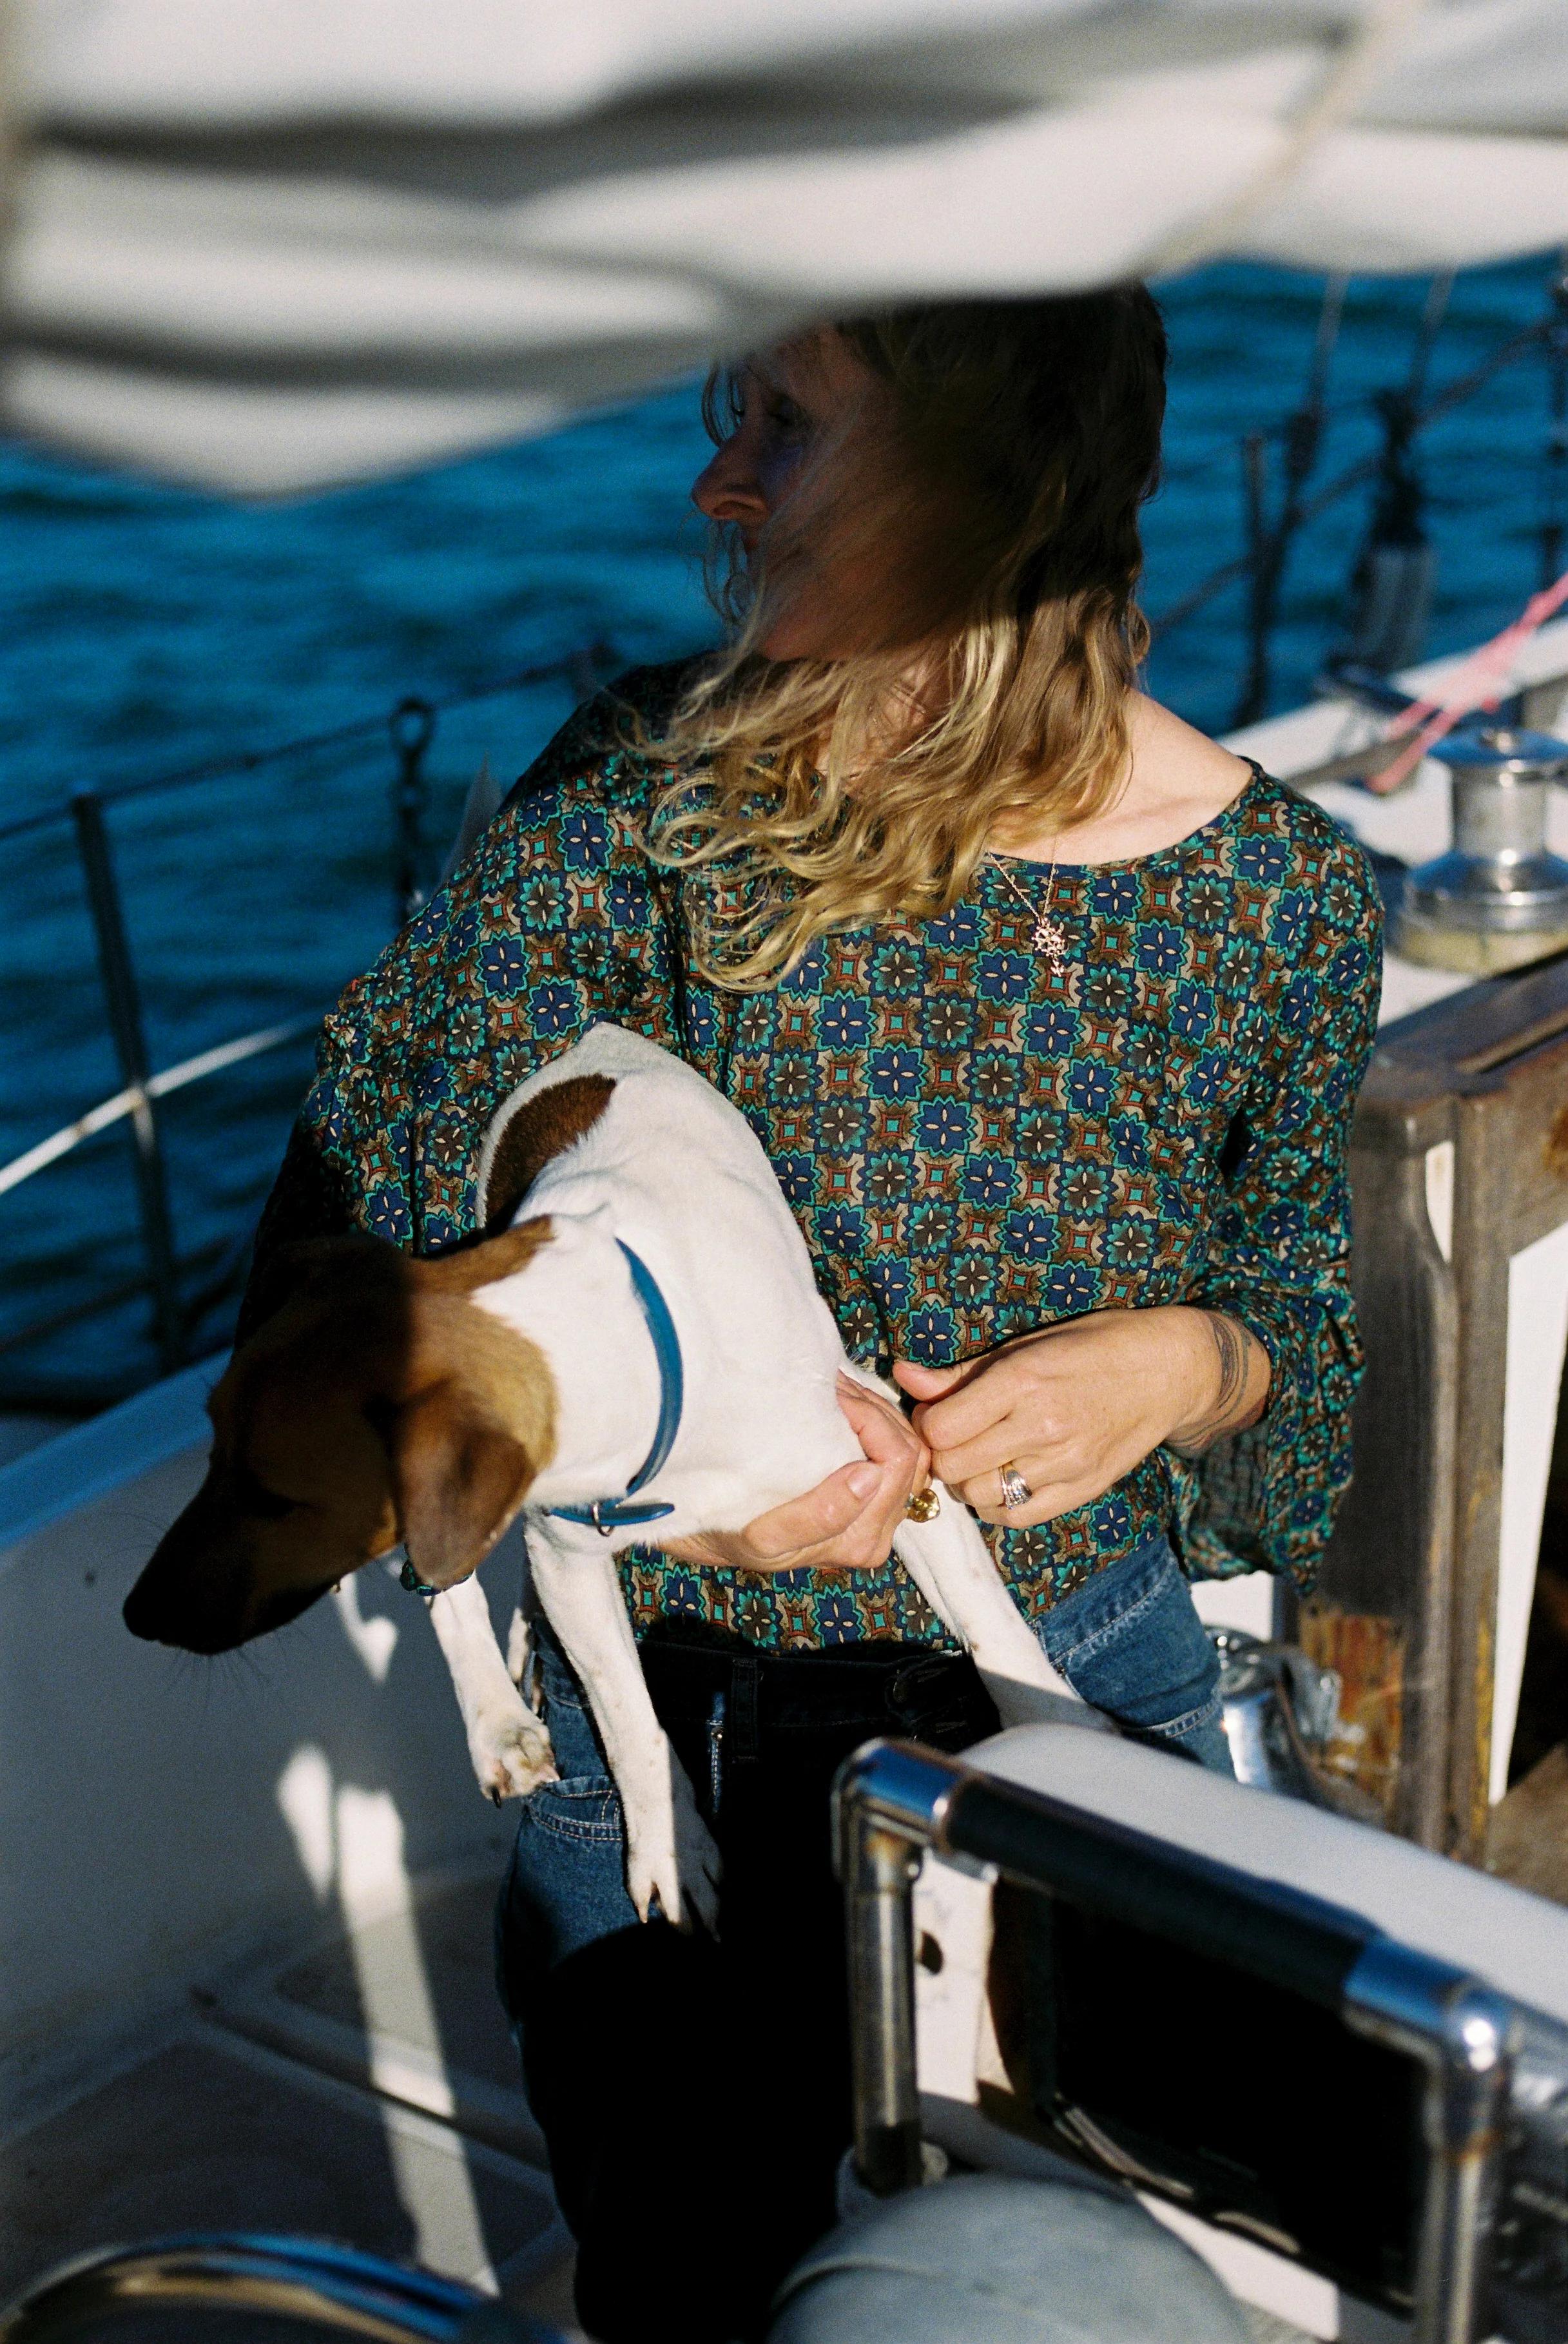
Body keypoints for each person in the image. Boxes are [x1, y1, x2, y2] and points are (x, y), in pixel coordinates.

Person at [240, 288, 1382, 2340]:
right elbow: (356, 1226)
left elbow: (1299, 1319)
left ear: (989, 480)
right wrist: (681, 1491)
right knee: (687, 2273)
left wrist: (1194, 1362)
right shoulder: (638, 802)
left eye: (787, 418)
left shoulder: (1278, 901)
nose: (717, 477)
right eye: (732, 411)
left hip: (1072, 1701)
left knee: (1092, 2267)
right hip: (660, 1722)